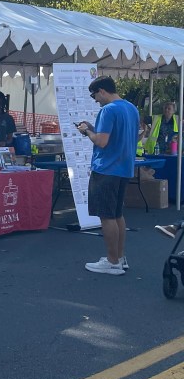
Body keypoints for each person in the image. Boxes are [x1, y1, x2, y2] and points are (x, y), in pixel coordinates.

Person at [77, 76, 139, 276]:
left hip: (106, 169)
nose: (95, 100)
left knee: (107, 216)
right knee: (117, 214)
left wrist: (87, 131)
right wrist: (93, 129)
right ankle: (119, 258)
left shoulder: (108, 110)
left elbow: (102, 142)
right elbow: (117, 136)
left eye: (94, 95)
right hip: (124, 167)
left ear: (102, 91)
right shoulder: (131, 108)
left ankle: (112, 262)